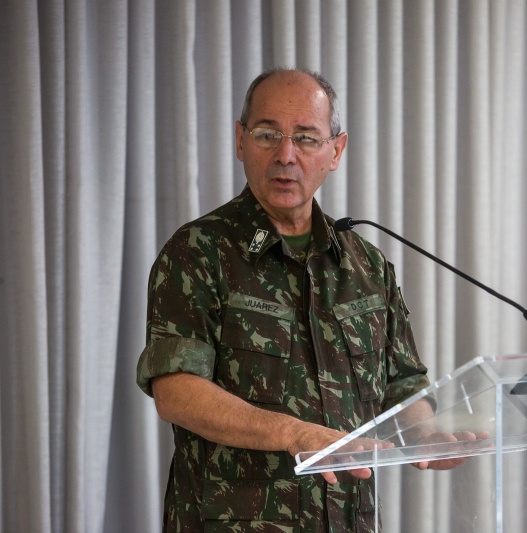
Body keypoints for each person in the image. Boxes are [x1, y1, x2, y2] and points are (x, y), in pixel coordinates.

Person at [136, 68, 475, 533]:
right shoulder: (198, 251)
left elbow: (402, 385)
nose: (285, 155)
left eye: (306, 138)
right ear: (240, 141)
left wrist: (426, 437)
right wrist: (292, 433)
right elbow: (176, 390)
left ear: (335, 151)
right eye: (267, 134)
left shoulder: (366, 266)